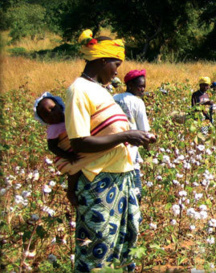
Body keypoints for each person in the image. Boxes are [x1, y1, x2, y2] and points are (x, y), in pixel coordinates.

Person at [65, 29, 156, 272]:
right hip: (99, 181)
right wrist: (127, 135)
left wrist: (135, 137)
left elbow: (107, 133)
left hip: (123, 175)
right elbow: (79, 141)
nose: (117, 71)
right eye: (116, 64)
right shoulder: (79, 90)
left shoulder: (102, 90)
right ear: (102, 60)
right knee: (97, 247)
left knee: (124, 243)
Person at [33, 92, 82, 207]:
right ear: (43, 120)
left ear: (60, 106)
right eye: (46, 115)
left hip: (76, 152)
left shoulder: (70, 118)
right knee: (75, 171)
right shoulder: (53, 129)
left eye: (53, 109)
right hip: (66, 156)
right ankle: (70, 192)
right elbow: (52, 147)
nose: (51, 114)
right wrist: (67, 156)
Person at [114, 69, 151, 200]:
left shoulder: (113, 99)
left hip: (112, 149)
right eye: (140, 86)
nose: (142, 90)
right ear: (130, 85)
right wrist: (149, 150)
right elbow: (144, 131)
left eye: (143, 87)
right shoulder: (138, 102)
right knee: (136, 193)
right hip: (131, 151)